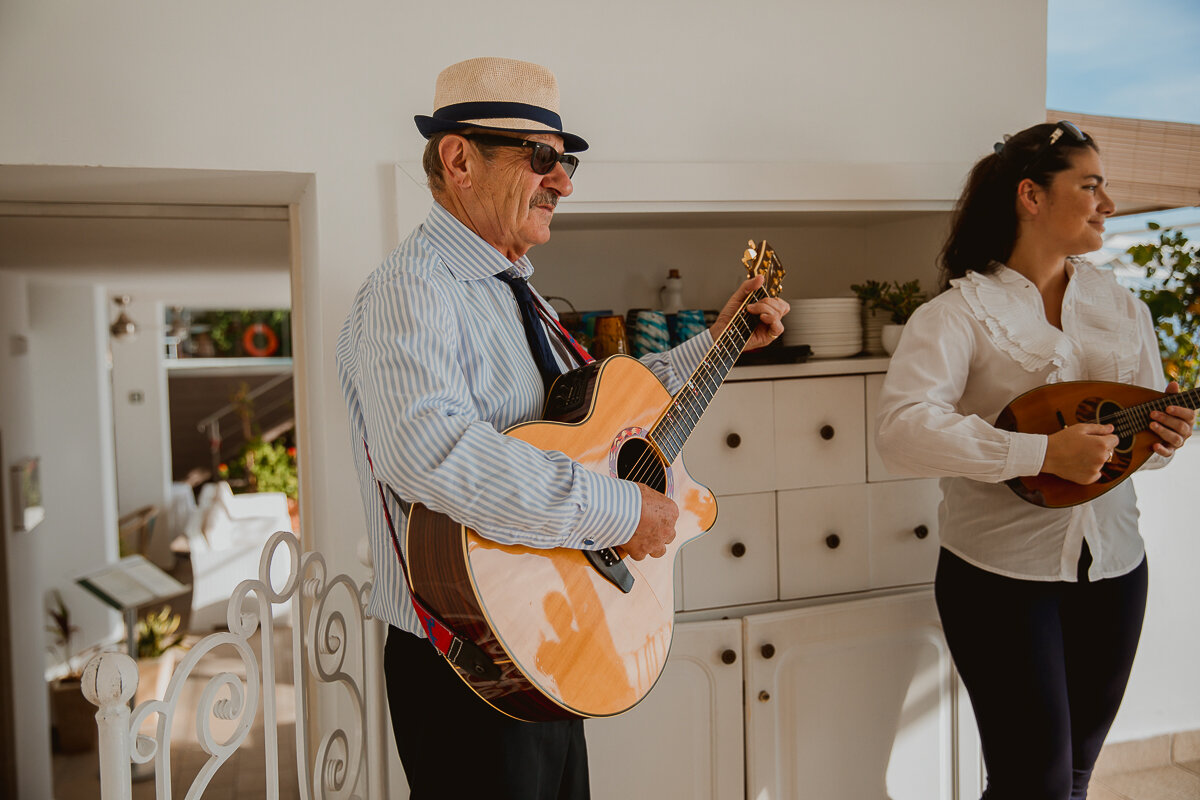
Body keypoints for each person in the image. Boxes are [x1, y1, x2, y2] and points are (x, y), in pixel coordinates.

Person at [335, 56, 789, 800]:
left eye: (566, 160)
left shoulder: (515, 291)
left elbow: (603, 417)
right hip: (465, 661)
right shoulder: (411, 292)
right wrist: (621, 511)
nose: (566, 182)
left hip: (546, 640)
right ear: (460, 161)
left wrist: (720, 340)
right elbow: (430, 453)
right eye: (541, 158)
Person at [875, 120, 1195, 800]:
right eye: (1091, 185)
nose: (1108, 204)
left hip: (1114, 568)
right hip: (999, 577)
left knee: (1071, 781)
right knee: (1036, 785)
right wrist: (1039, 451)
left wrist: (1163, 434)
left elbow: (1137, 452)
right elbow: (903, 430)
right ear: (1032, 196)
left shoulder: (1123, 307)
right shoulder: (956, 315)